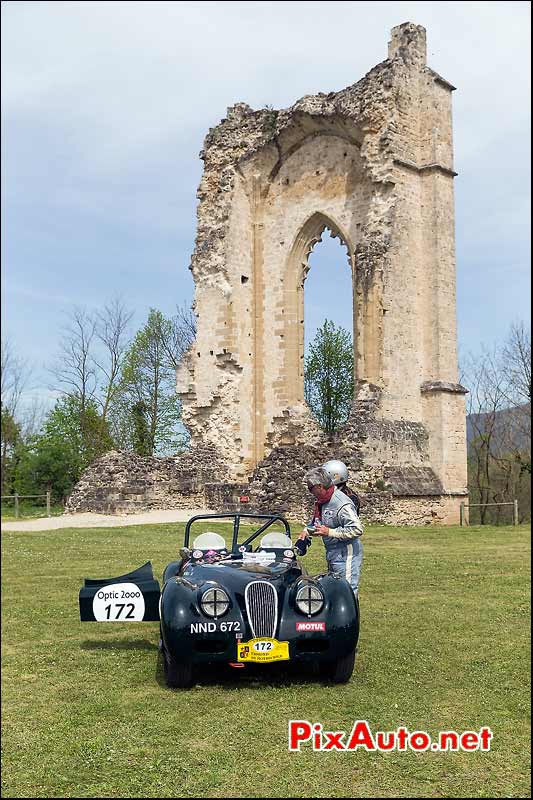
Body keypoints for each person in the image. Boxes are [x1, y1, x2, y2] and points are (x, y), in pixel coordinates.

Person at [298, 465, 363, 596]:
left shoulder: (341, 503)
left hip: (346, 554)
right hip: (333, 553)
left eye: (311, 488)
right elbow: (319, 521)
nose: (309, 491)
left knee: (347, 593)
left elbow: (357, 529)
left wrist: (330, 532)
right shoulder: (323, 501)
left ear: (320, 486)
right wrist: (307, 531)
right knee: (334, 590)